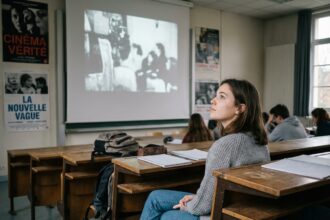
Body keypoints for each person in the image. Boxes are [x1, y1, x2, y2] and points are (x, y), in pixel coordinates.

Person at [140, 78, 270, 219]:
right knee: (156, 197)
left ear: (240, 108)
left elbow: (203, 206)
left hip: (219, 214)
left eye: (222, 96)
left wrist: (188, 206)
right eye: (215, 95)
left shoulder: (224, 145)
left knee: (166, 215)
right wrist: (196, 198)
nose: (213, 100)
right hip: (237, 208)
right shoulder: (261, 143)